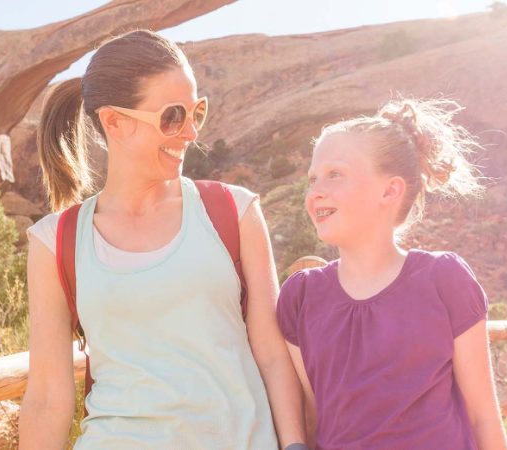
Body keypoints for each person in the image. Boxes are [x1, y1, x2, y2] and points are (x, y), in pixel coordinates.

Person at [18, 30, 306, 449]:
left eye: (197, 112)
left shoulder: (234, 211)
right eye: (173, 116)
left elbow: (272, 353)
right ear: (114, 121)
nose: (190, 132)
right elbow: (46, 397)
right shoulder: (54, 241)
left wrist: (295, 444)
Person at [277, 98, 507, 449]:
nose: (315, 192)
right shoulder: (301, 297)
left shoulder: (443, 280)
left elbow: (484, 418)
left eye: (335, 174)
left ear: (390, 190)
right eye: (313, 179)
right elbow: (313, 415)